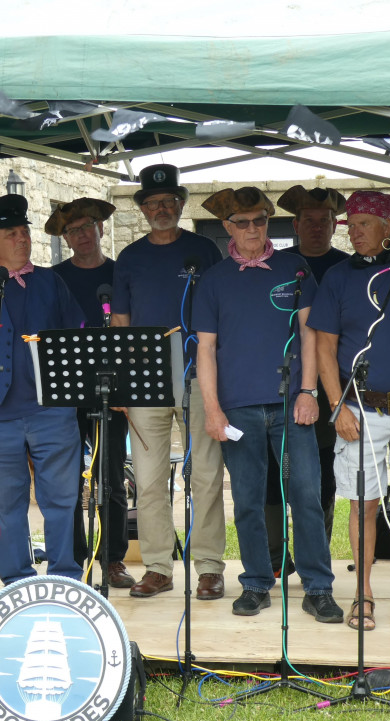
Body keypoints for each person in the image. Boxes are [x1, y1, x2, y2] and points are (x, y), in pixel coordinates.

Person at [195, 186, 342, 621]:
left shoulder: (295, 269)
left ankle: (317, 586)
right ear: (227, 229)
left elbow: (310, 335)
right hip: (237, 407)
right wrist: (212, 409)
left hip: (291, 405)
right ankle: (257, 582)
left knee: (307, 495)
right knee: (248, 500)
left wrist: (308, 392)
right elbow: (205, 349)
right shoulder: (214, 280)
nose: (253, 229)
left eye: (260, 220)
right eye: (243, 222)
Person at [308, 190, 390, 631]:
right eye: (351, 225)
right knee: (364, 504)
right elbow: (325, 344)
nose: (354, 232)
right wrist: (337, 405)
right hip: (360, 410)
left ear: (386, 227)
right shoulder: (338, 277)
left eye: (363, 224)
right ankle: (363, 593)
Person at [0, 194, 85, 584]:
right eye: (12, 233)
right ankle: (16, 580)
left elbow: (75, 338)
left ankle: (64, 576)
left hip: (52, 413)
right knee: (7, 504)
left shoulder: (50, 280)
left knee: (61, 501)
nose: (22, 239)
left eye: (25, 231)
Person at [111, 164, 226, 600]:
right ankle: (158, 567)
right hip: (145, 381)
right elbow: (120, 322)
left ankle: (210, 567)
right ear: (142, 209)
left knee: (206, 475)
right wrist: (122, 380)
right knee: (150, 478)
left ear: (180, 205)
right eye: (152, 203)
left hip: (200, 377)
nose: (161, 208)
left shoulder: (204, 250)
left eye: (168, 201)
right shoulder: (130, 258)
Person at [47, 197, 133, 588]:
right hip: (65, 391)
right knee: (66, 480)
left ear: (101, 228)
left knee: (110, 476)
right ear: (65, 238)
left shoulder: (120, 274)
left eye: (88, 226)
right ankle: (74, 559)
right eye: (73, 230)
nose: (82, 234)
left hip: (110, 390)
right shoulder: (53, 278)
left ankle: (112, 558)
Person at [265, 186, 348, 577]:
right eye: (309, 222)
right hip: (277, 385)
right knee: (271, 473)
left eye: (324, 221)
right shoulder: (276, 266)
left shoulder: (348, 268)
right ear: (295, 225)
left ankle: (317, 554)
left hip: (330, 387)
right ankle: (274, 557)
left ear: (335, 225)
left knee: (320, 474)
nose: (317, 228)